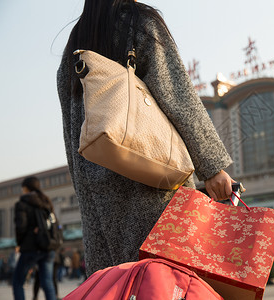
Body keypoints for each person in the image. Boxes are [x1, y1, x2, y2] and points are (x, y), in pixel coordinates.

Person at [57, 0, 233, 276]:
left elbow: (71, 130)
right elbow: (176, 94)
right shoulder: (139, 23)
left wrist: (86, 196)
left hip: (98, 196)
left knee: (117, 287)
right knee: (168, 283)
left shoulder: (75, 42)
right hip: (154, 182)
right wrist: (211, 168)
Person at [12, 176, 56, 300]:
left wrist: (20, 243)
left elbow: (20, 227)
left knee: (18, 281)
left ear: (25, 188)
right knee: (47, 282)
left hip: (31, 247)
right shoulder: (46, 202)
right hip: (48, 247)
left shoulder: (22, 203)